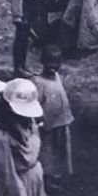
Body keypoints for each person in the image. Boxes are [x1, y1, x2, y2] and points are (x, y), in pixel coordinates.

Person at [33, 46, 74, 178]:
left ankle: (58, 174)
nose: (53, 67)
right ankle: (47, 178)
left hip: (62, 122)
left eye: (56, 64)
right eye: (49, 64)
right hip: (48, 125)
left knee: (61, 150)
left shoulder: (58, 77)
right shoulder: (39, 82)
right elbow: (36, 105)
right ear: (42, 62)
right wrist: (41, 121)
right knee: (48, 152)